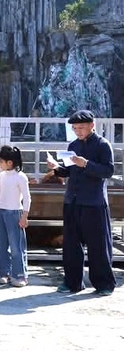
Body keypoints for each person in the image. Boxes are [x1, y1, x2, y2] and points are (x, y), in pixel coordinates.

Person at [47, 109, 116, 295]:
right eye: (75, 128)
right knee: (71, 244)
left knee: (98, 245)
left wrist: (85, 163)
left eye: (81, 127)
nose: (78, 131)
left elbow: (108, 171)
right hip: (72, 200)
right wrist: (57, 168)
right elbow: (70, 170)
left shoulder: (103, 145)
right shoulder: (73, 145)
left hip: (94, 201)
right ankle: (72, 282)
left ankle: (104, 284)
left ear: (92, 126)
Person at [0, 146, 31, 287]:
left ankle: (20, 274)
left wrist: (24, 216)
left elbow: (27, 198)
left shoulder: (21, 177)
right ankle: (4, 272)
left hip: (15, 213)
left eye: (1, 161)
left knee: (16, 246)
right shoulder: (2, 176)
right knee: (1, 245)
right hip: (2, 211)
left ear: (10, 162)